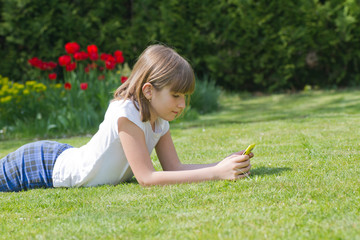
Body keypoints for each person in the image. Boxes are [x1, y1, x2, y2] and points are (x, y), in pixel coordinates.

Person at [0, 44, 253, 192]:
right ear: (148, 91)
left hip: (60, 156)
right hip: (40, 166)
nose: (182, 104)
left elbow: (174, 169)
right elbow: (147, 178)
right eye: (176, 95)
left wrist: (221, 164)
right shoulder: (126, 114)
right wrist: (216, 174)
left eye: (185, 96)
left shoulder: (159, 120)